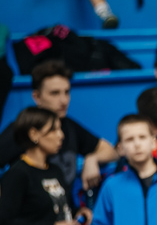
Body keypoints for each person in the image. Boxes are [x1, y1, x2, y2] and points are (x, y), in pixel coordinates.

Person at [0, 61, 118, 190]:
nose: (64, 100)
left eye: (67, 92)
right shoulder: (21, 128)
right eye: (55, 93)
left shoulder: (70, 126)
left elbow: (111, 151)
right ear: (37, 97)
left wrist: (92, 158)